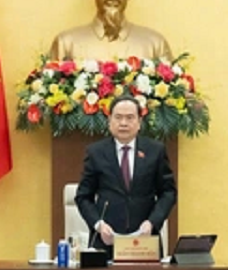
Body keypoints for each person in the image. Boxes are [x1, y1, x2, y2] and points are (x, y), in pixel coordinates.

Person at [75, 95, 176, 254]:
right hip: (106, 241)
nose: (123, 123)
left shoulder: (155, 151)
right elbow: (83, 196)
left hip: (145, 241)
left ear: (139, 122)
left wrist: (152, 222)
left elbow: (168, 192)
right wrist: (98, 225)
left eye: (130, 118)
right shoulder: (96, 152)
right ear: (109, 121)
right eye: (118, 117)